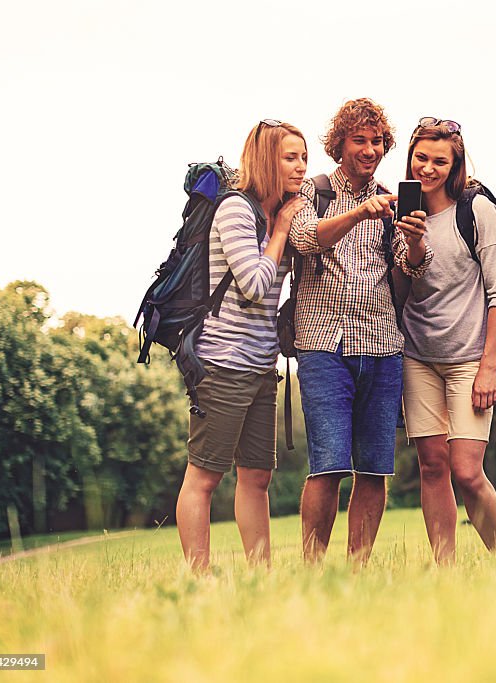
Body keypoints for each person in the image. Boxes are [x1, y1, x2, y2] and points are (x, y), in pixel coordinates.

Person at [288, 98, 432, 565]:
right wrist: (357, 214)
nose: (370, 150)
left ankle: (358, 572)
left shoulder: (391, 199)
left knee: (374, 469)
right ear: (340, 145)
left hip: (383, 344)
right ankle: (313, 571)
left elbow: (409, 269)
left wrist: (413, 240)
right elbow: (305, 239)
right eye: (360, 141)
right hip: (322, 345)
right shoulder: (313, 192)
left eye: (376, 141)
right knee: (327, 466)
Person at [176, 119, 307, 571]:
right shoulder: (235, 209)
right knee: (205, 475)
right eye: (291, 157)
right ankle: (198, 578)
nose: (301, 166)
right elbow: (254, 284)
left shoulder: (279, 215)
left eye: (304, 157)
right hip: (222, 360)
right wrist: (282, 230)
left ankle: (260, 575)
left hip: (260, 362)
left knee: (257, 475)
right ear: (266, 159)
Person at [398, 118, 496, 564]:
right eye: (420, 158)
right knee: (432, 466)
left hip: (469, 359)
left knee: (466, 470)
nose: (428, 168)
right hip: (417, 356)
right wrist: (411, 246)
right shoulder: (400, 215)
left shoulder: (476, 211)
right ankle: (446, 568)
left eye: (439, 161)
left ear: (455, 164)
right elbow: (402, 290)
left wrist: (489, 366)